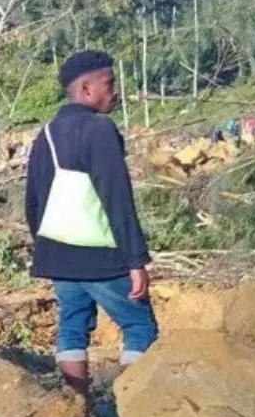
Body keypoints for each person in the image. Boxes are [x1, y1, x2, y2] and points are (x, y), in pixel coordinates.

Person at [24, 50, 159, 397]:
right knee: (139, 325)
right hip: (102, 256)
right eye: (109, 83)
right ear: (86, 89)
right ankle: (131, 409)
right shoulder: (100, 129)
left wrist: (46, 248)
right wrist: (136, 260)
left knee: (72, 326)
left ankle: (76, 408)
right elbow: (117, 197)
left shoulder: (47, 133)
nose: (115, 91)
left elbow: (33, 200)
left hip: (58, 253)